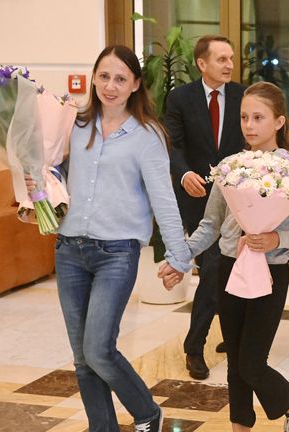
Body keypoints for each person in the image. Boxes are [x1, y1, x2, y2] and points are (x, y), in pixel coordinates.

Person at [41, 45, 191, 432]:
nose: (111, 85)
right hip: (69, 249)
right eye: (104, 76)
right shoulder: (73, 123)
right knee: (81, 356)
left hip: (116, 254)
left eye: (121, 78)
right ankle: (101, 427)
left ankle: (146, 412)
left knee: (98, 350)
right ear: (93, 78)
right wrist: (34, 183)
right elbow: (54, 173)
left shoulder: (146, 135)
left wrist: (179, 254)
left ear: (136, 85)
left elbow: (163, 198)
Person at [160, 82, 289, 432]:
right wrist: (180, 256)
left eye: (258, 117)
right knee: (235, 363)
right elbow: (209, 225)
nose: (249, 125)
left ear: (278, 122)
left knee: (251, 361)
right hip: (230, 269)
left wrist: (277, 237)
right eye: (244, 117)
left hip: (271, 272)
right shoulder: (229, 167)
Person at [165, 35, 246, 380]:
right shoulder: (180, 98)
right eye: (221, 59)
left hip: (240, 198)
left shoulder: (244, 96)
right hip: (197, 198)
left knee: (234, 267)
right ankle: (194, 347)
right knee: (213, 267)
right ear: (202, 63)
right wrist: (183, 175)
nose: (229, 65)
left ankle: (230, 334)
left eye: (231, 59)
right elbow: (171, 144)